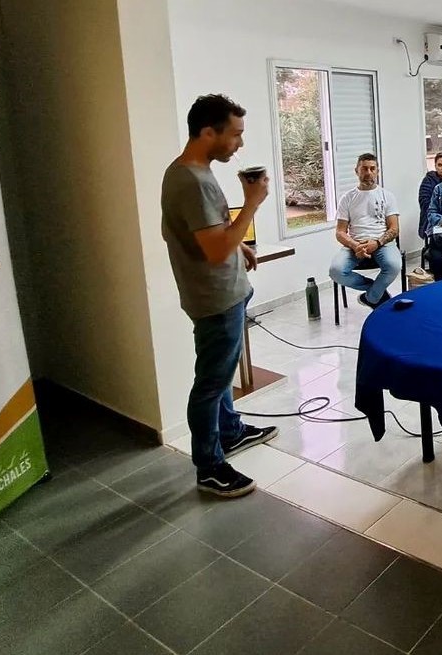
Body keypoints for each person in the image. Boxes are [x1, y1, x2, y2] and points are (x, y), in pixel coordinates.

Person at [160, 94, 276, 497]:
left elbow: (209, 234)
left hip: (224, 291)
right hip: (215, 298)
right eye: (235, 134)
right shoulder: (192, 181)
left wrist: (239, 244)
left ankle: (230, 431)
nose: (240, 144)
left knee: (223, 374)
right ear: (208, 132)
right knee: (211, 383)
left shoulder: (189, 171)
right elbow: (212, 250)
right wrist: (252, 205)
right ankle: (209, 467)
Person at [328, 153, 402, 308]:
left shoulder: (387, 196)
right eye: (364, 169)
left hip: (382, 243)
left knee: (394, 266)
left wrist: (377, 242)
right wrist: (355, 246)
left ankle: (370, 297)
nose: (368, 172)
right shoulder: (347, 198)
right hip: (355, 244)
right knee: (336, 271)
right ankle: (376, 292)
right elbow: (340, 232)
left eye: (372, 168)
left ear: (377, 171)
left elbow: (394, 228)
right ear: (356, 171)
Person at [417, 153, 442, 239]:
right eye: (440, 165)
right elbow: (425, 202)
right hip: (432, 220)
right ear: (435, 166)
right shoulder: (428, 180)